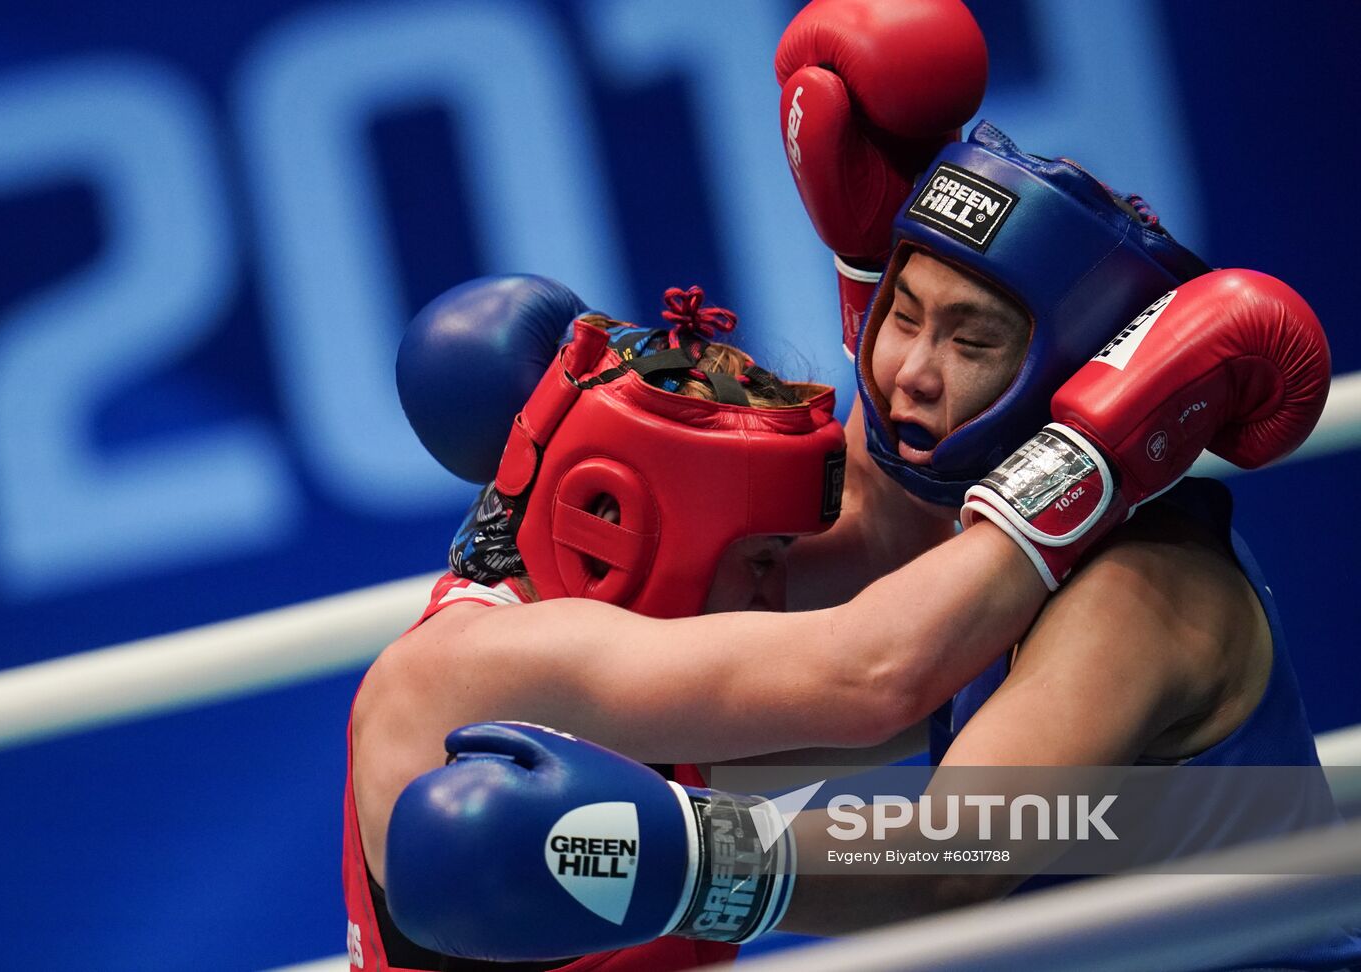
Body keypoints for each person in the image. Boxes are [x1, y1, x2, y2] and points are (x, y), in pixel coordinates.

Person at [374, 4, 1355, 966]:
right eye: (899, 315)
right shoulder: (969, 573)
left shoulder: (1132, 590)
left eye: (970, 339)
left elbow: (950, 848)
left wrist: (685, 865)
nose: (909, 373)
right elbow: (878, 591)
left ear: (1074, 370)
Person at [349, 281, 1079, 972]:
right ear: (618, 529)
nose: (780, 588)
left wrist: (887, 265)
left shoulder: (622, 658)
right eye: (762, 557)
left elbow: (889, 542)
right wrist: (1095, 452)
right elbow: (878, 673)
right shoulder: (477, 663)